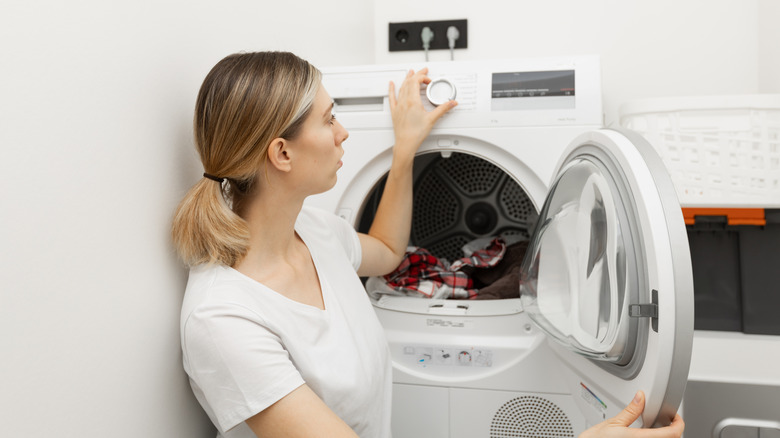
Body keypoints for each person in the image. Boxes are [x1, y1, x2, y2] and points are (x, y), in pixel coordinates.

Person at [171, 51, 685, 438]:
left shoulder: (315, 234)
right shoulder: (224, 322)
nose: (345, 132)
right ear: (281, 153)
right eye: (329, 119)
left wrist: (405, 152)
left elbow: (388, 250)